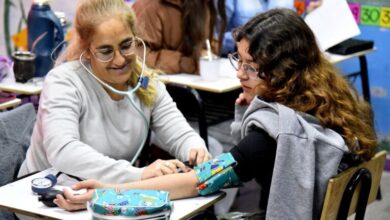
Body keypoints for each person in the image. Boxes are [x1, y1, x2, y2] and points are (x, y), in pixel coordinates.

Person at [54, 9, 377, 219]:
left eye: (251, 67)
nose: (240, 74)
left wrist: (106, 193)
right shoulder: (328, 102)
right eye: (239, 60)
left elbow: (199, 181)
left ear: (282, 73)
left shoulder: (273, 134)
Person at [17, 0, 212, 184]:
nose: (120, 60)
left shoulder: (146, 83)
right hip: (41, 200)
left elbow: (181, 135)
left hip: (100, 195)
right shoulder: (63, 82)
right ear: (87, 50)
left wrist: (196, 150)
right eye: (106, 51)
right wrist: (139, 174)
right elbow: (63, 151)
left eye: (126, 45)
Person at [132, 0, 226, 74]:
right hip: (156, 86)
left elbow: (208, 43)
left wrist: (206, 53)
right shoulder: (149, 6)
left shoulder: (202, 4)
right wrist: (185, 63)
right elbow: (139, 56)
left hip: (194, 82)